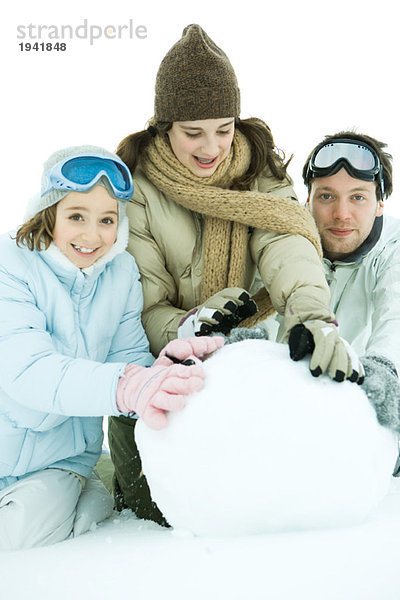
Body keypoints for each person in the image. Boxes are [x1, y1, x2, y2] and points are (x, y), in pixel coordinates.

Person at [108, 24, 364, 524]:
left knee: (238, 512)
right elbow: (139, 305)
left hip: (236, 377)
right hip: (152, 383)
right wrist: (190, 327)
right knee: (146, 523)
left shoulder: (259, 173)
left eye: (223, 128)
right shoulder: (134, 192)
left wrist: (312, 315)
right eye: (193, 132)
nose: (212, 147)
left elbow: (285, 241)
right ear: (163, 126)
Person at [0, 145, 218, 550]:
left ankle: (82, 490)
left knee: (28, 531)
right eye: (76, 217)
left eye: (106, 220)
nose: (92, 235)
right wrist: (126, 385)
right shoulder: (10, 265)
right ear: (49, 215)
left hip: (60, 464)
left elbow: (127, 360)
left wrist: (157, 370)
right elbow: (27, 372)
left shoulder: (119, 273)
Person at [302, 131, 400, 440]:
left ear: (379, 203)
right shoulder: (283, 241)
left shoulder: (393, 248)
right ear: (308, 200)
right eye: (326, 196)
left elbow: (395, 315)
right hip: (286, 403)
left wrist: (386, 372)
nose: (341, 214)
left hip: (356, 409)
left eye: (358, 196)